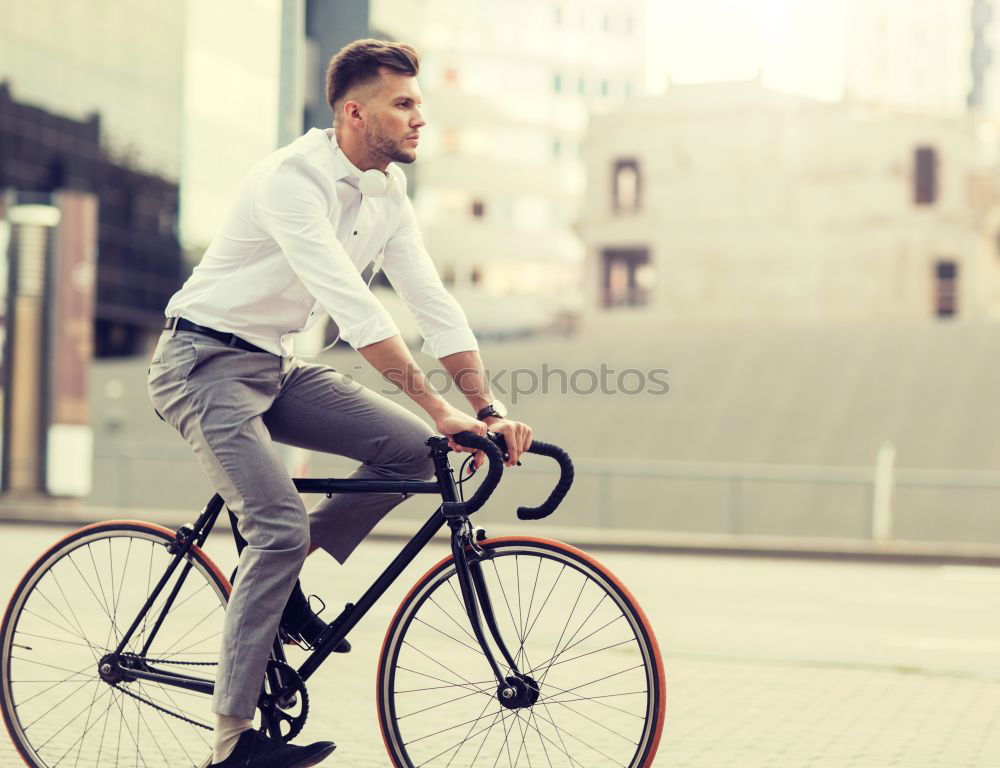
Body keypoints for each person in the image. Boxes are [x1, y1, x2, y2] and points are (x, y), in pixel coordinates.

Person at [147, 38, 532, 768]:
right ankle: (231, 745)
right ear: (355, 113)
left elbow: (430, 301)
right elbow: (353, 308)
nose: (421, 119)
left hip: (275, 366)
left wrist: (481, 408)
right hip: (199, 363)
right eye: (405, 104)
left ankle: (284, 574)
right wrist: (436, 404)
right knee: (278, 528)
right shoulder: (293, 180)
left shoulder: (389, 195)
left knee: (414, 449)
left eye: (421, 104)